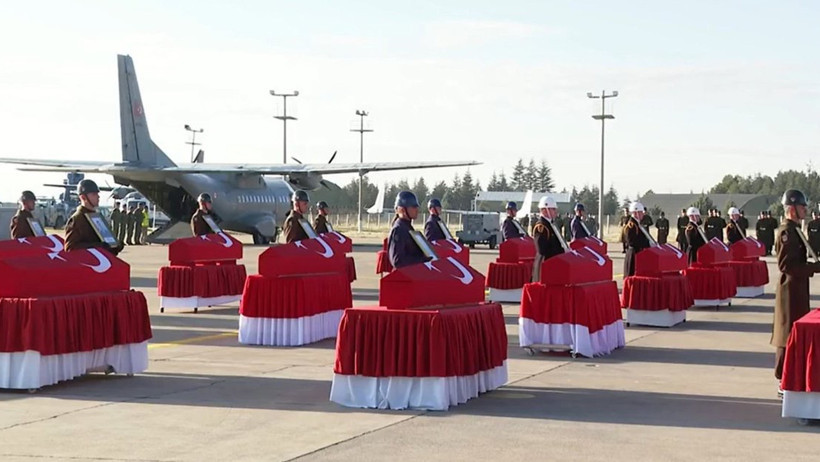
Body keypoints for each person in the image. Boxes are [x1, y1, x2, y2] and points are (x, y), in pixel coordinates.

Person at [772, 189, 820, 387]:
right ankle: (782, 378)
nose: (805, 210)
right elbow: (786, 266)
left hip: (797, 288)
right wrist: (813, 268)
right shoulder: (787, 232)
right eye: (802, 207)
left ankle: (790, 376)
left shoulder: (795, 229)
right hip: (789, 291)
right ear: (792, 209)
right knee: (787, 334)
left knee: (793, 333)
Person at [64, 179, 123, 255]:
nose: (98, 196)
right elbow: (70, 248)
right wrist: (97, 246)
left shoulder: (97, 217)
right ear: (83, 197)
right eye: (94, 194)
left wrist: (115, 246)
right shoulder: (77, 219)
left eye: (97, 194)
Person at [388, 191, 431, 269]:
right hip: (405, 275)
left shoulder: (407, 227)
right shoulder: (398, 230)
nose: (417, 210)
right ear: (402, 210)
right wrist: (423, 260)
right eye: (413, 207)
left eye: (417, 207)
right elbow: (397, 261)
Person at [531, 196, 566, 282]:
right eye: (553, 209)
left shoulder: (551, 224)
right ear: (544, 210)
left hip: (554, 263)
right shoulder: (541, 226)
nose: (555, 211)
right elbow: (541, 249)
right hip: (545, 264)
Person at [622, 202, 652, 277]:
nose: (643, 214)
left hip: (638, 254)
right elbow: (631, 242)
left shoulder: (638, 224)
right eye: (641, 212)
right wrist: (646, 244)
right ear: (636, 213)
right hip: (633, 255)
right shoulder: (632, 225)